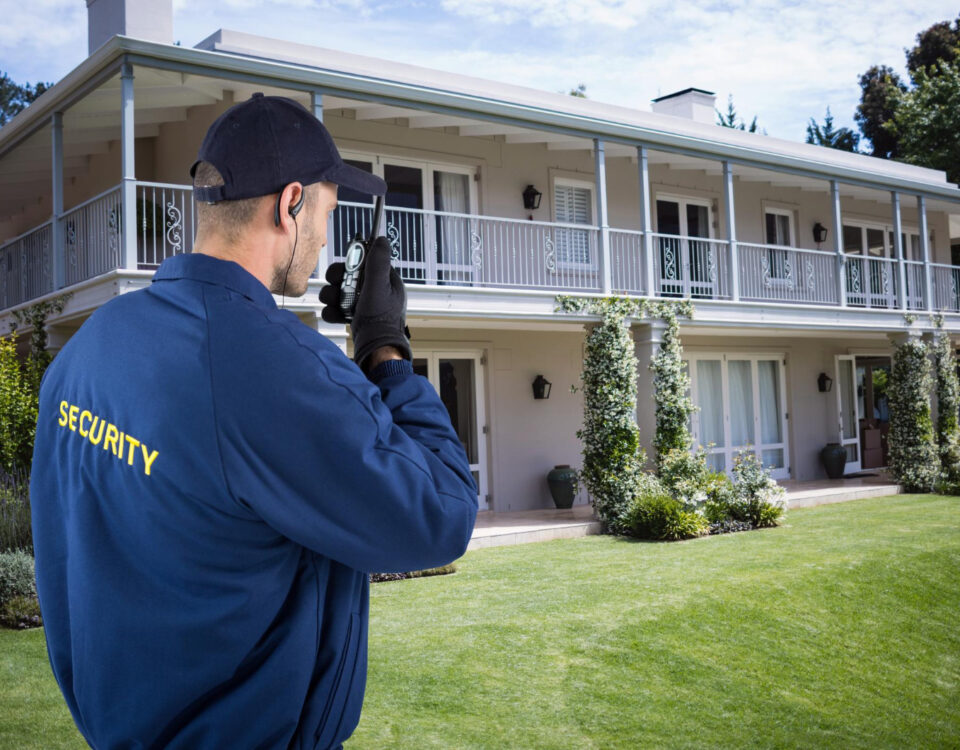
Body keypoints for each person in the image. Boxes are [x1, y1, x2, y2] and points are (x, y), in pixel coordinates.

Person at [30, 93, 478, 749]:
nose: (325, 236)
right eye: (325, 210)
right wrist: (384, 349)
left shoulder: (90, 348)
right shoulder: (273, 368)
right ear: (289, 203)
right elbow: (441, 514)